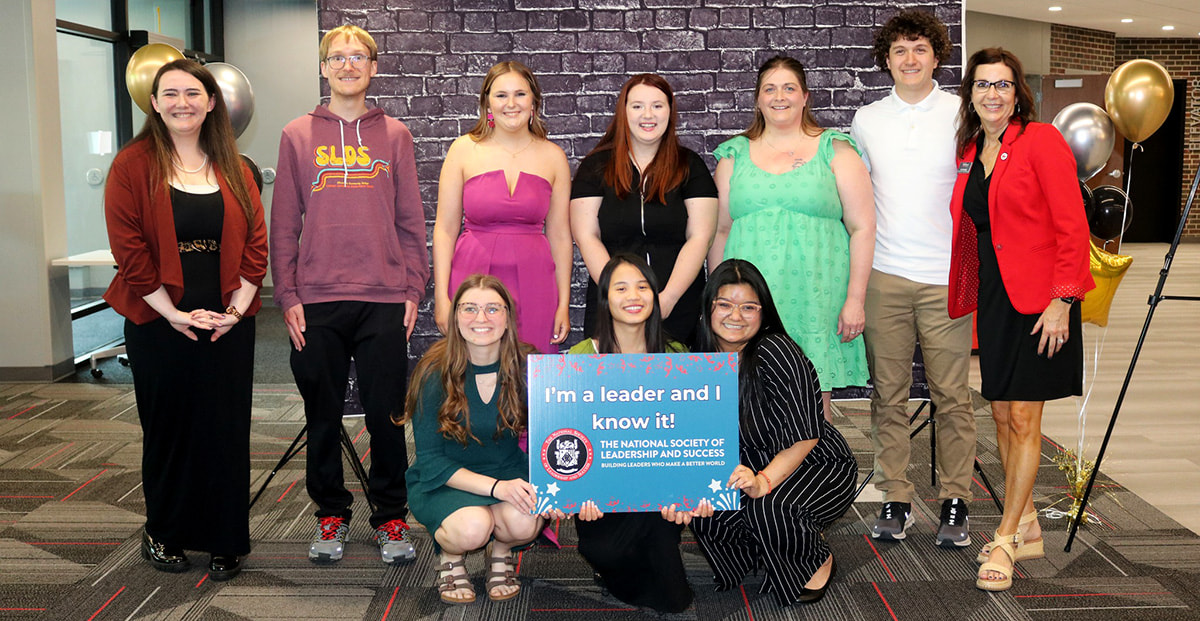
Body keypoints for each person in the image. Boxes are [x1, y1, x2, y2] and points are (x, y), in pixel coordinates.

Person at [103, 59, 267, 580]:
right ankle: (165, 531)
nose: (181, 102)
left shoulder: (236, 168)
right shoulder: (131, 166)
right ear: (154, 103)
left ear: (211, 102)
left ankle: (224, 538)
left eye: (192, 93)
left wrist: (235, 314)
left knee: (224, 430)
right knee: (170, 431)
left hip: (227, 322)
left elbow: (256, 247)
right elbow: (129, 250)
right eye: (169, 93)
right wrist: (172, 313)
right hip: (158, 321)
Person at [271, 25, 428, 566]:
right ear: (324, 67)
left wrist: (413, 286)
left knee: (387, 414)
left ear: (373, 68)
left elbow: (412, 222)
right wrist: (286, 294)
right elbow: (283, 223)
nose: (347, 64)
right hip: (315, 297)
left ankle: (390, 518)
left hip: (384, 295)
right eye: (336, 57)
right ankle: (330, 512)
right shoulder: (296, 135)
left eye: (358, 56)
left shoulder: (396, 136)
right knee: (322, 413)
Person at [949, 48, 1094, 591]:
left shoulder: (1039, 140)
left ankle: (1006, 537)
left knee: (1026, 420)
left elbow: (1071, 224)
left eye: (1002, 85)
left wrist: (1063, 299)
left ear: (1018, 93)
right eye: (982, 85)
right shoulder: (971, 150)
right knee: (1002, 414)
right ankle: (1027, 521)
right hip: (996, 298)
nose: (992, 94)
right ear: (971, 94)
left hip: (1039, 303)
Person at [849, 10, 977, 546]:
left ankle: (955, 500)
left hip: (947, 276)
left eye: (919, 48)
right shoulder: (866, 120)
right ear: (886, 60)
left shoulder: (962, 113)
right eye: (899, 50)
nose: (909, 59)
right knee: (889, 395)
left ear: (936, 56)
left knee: (953, 396)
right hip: (885, 276)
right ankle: (896, 498)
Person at [709, 55, 876, 422]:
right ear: (757, 99)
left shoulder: (836, 150)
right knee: (746, 398)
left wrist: (855, 299)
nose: (779, 96)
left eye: (789, 88)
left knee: (814, 404)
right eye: (769, 88)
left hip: (817, 299)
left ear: (805, 97)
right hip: (749, 299)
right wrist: (716, 300)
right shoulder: (733, 155)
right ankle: (756, 478)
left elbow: (863, 227)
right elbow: (721, 231)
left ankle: (816, 478)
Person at [690, 259, 857, 606]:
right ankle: (768, 546)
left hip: (815, 464)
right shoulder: (697, 359)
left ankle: (817, 558)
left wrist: (762, 481)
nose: (736, 316)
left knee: (767, 508)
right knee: (706, 509)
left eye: (748, 307)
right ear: (708, 308)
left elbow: (805, 436)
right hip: (746, 465)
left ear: (763, 312)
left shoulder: (775, 351)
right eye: (725, 304)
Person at [568, 254, 709, 613]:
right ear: (605, 299)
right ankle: (609, 563)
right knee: (604, 551)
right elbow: (567, 436)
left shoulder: (677, 356)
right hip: (599, 500)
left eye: (643, 287)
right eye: (621, 287)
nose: (634, 296)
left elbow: (692, 434)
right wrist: (577, 491)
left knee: (675, 600)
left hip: (660, 499)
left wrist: (691, 492)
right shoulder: (580, 358)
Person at [402, 275, 545, 604]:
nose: (481, 318)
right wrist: (498, 491)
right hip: (446, 478)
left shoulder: (527, 366)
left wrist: (564, 485)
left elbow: (556, 435)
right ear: (454, 318)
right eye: (470, 309)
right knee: (472, 528)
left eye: (493, 308)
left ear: (508, 317)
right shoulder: (433, 370)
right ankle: (450, 557)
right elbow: (431, 460)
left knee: (525, 523)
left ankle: (502, 550)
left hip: (507, 469)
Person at [433, 61, 572, 354]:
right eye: (501, 95)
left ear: (534, 101)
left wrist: (563, 303)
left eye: (520, 94)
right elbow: (445, 230)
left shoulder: (553, 156)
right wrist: (442, 297)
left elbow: (560, 236)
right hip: (472, 274)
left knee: (531, 372)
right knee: (471, 365)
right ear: (487, 103)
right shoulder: (462, 150)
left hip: (536, 279)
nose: (511, 103)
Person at [571, 73, 718, 346]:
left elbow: (700, 237)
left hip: (678, 303)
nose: (647, 115)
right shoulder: (595, 167)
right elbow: (585, 235)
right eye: (637, 106)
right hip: (610, 307)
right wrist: (618, 294)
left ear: (670, 112)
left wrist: (669, 298)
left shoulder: (691, 166)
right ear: (623, 112)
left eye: (657, 106)